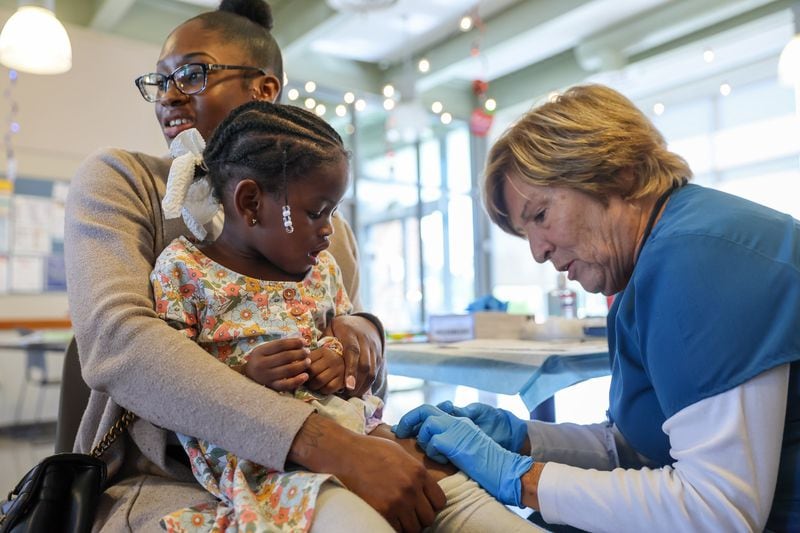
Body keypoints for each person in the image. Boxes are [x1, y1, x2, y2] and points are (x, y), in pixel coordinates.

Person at [63, 1, 442, 530]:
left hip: (323, 454)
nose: (169, 94)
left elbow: (350, 370)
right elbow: (117, 341)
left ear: (264, 89)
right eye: (162, 80)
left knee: (449, 501)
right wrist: (319, 441)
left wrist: (364, 338)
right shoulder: (126, 182)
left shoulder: (326, 231)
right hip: (167, 477)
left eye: (192, 74)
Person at [394, 84, 799, 531]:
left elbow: (718, 511)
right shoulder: (643, 272)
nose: (537, 253)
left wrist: (521, 479)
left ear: (617, 174)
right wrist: (524, 438)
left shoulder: (699, 259)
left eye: (541, 215)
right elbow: (638, 446)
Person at [150, 101, 538, 532]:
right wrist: (245, 374)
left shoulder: (322, 270)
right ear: (251, 201)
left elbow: (347, 344)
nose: (329, 229)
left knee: (475, 509)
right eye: (317, 212)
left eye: (333, 211)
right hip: (276, 468)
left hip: (369, 438)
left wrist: (339, 359)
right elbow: (172, 385)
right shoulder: (183, 269)